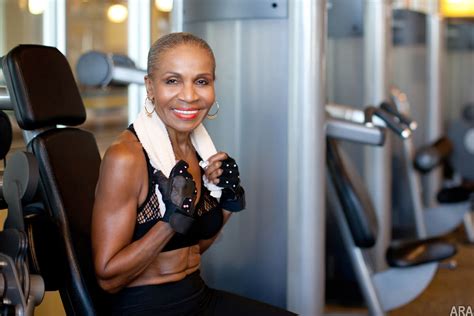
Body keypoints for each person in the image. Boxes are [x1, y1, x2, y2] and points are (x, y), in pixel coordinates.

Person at [91, 32, 296, 316]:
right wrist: (170, 222)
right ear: (150, 87)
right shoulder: (126, 157)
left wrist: (226, 201)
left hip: (197, 298)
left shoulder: (200, 152)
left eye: (201, 81)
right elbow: (108, 278)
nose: (189, 96)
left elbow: (193, 249)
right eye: (172, 81)